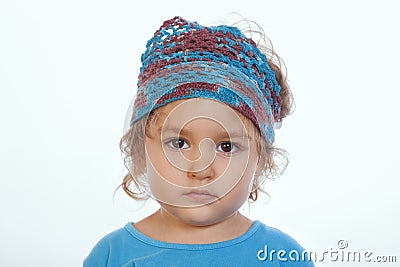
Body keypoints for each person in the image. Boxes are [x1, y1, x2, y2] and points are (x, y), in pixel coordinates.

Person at [83, 16, 315, 266]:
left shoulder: (282, 257)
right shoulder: (112, 256)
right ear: (140, 152)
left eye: (226, 146)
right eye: (178, 143)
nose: (201, 169)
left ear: (260, 161)